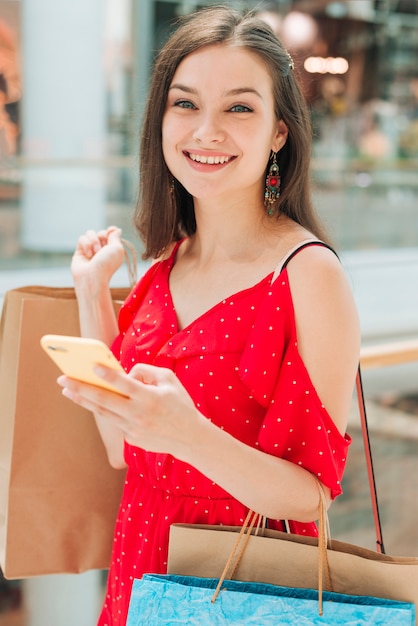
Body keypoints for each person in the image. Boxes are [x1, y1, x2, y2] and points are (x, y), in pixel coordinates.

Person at [58, 6, 360, 625]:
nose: (206, 131)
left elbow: (313, 495)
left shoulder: (307, 275)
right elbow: (122, 449)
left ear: (280, 130)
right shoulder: (169, 264)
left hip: (237, 590)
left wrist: (188, 435)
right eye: (186, 104)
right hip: (140, 565)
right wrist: (93, 294)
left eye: (240, 108)